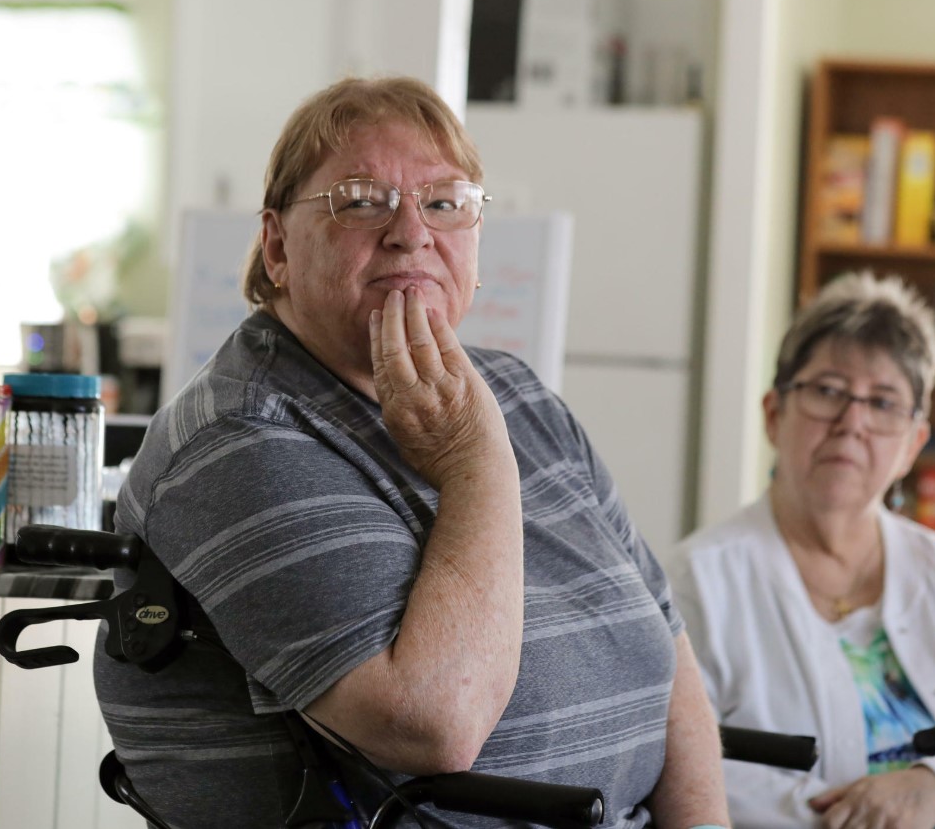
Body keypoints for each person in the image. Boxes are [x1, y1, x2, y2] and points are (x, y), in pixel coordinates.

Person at [96, 75, 728, 828]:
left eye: (444, 202)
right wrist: (476, 465)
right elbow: (434, 723)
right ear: (276, 247)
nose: (410, 232)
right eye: (361, 200)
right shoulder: (239, 439)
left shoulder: (515, 392)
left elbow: (668, 648)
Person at [667, 272, 935, 828]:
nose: (853, 423)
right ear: (775, 414)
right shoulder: (694, 584)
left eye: (883, 402)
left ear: (913, 445)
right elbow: (672, 762)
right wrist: (852, 816)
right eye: (827, 391)